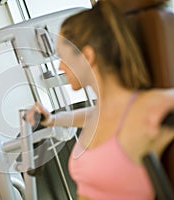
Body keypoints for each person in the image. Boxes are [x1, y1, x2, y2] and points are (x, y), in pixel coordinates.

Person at [25, 1, 174, 200]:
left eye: (63, 57)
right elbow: (84, 116)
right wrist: (51, 119)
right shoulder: (100, 113)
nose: (60, 67)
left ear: (88, 55)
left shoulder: (148, 109)